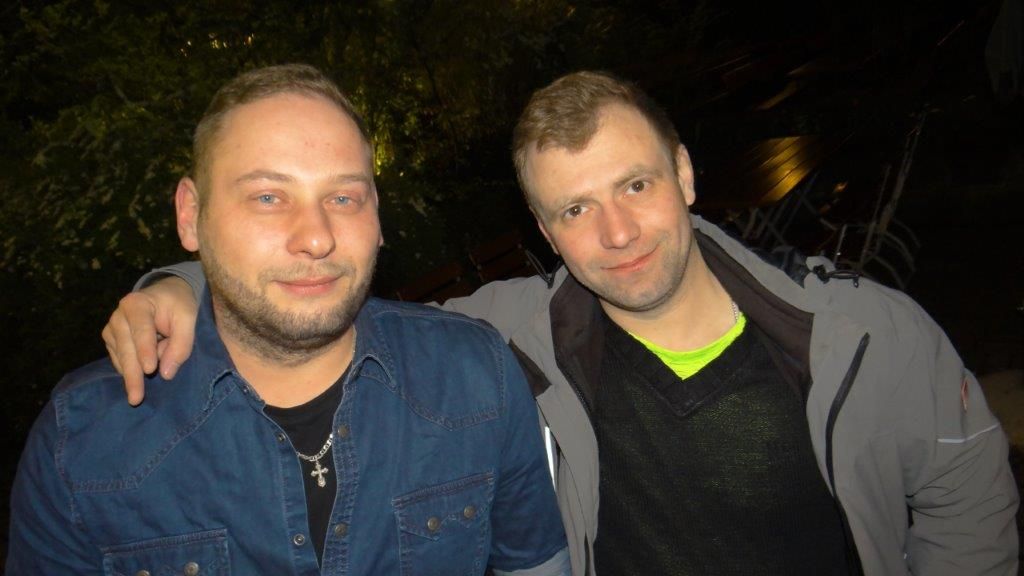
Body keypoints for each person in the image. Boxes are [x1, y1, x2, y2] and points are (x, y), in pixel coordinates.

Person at [100, 71, 1019, 575]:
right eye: (575, 209)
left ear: (684, 175)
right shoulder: (508, 339)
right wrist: (187, 283)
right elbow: (320, 303)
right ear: (544, 232)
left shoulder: (862, 334)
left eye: (635, 185)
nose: (616, 233)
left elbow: (966, 498)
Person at [6, 64, 571, 575]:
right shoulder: (82, 442)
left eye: (343, 198)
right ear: (191, 215)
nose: (316, 237)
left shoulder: (476, 375)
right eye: (268, 198)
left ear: (377, 217)